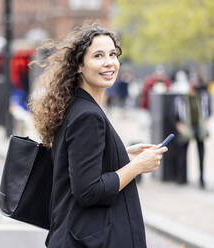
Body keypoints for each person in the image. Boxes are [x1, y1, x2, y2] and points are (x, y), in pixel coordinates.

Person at [29, 23, 168, 248]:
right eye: (98, 55)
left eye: (113, 54)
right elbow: (88, 191)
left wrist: (122, 155)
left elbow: (80, 165)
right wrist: (138, 166)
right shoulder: (88, 116)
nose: (109, 62)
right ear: (79, 66)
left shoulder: (76, 106)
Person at [173, 73, 211, 188]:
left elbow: (208, 111)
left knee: (201, 153)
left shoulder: (203, 96)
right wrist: (180, 126)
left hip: (199, 127)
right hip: (186, 127)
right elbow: (175, 114)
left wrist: (205, 125)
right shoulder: (181, 98)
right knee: (182, 153)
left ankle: (201, 178)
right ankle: (182, 178)